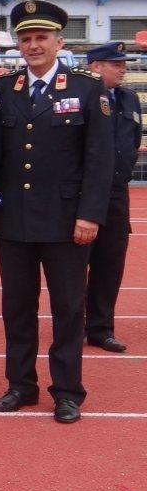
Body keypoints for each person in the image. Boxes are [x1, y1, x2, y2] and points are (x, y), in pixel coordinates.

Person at [0, 0, 113, 424]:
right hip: (14, 220)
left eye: (41, 37)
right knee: (17, 308)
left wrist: (90, 214)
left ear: (59, 41)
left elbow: (100, 158)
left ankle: (66, 391)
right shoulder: (5, 89)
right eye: (25, 38)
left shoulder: (87, 87)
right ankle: (20, 385)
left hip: (66, 222)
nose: (33, 45)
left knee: (66, 309)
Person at [85, 42, 141, 354]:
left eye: (123, 64)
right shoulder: (80, 96)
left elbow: (132, 141)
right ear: (95, 66)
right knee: (74, 265)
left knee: (109, 264)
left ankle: (100, 328)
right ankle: (68, 324)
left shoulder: (130, 99)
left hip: (117, 196)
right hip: (83, 194)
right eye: (115, 64)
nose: (122, 69)